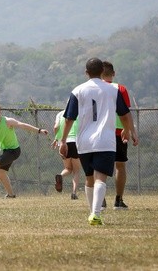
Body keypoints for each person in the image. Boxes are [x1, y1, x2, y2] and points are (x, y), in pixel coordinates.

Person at [59, 58, 138, 226]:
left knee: (89, 178)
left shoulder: (78, 90)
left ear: (86, 72)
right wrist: (127, 130)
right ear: (102, 70)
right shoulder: (112, 90)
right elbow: (124, 114)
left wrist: (63, 140)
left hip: (84, 141)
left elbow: (69, 119)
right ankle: (95, 214)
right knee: (100, 177)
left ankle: (93, 213)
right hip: (106, 140)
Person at [0, 103, 48, 198]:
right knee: (1, 173)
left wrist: (39, 130)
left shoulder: (8, 121)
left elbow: (23, 125)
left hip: (14, 151)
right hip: (6, 151)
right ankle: (11, 195)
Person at [101, 61, 138, 209]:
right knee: (120, 166)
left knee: (100, 167)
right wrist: (131, 131)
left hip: (100, 132)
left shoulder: (93, 88)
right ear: (113, 73)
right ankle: (118, 200)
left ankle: (100, 200)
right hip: (118, 131)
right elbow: (126, 113)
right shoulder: (120, 89)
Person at [52, 110, 81, 199]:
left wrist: (56, 139)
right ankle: (74, 193)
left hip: (63, 143)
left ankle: (60, 176)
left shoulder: (60, 114)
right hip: (76, 142)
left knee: (68, 168)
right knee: (76, 171)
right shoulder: (79, 112)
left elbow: (56, 127)